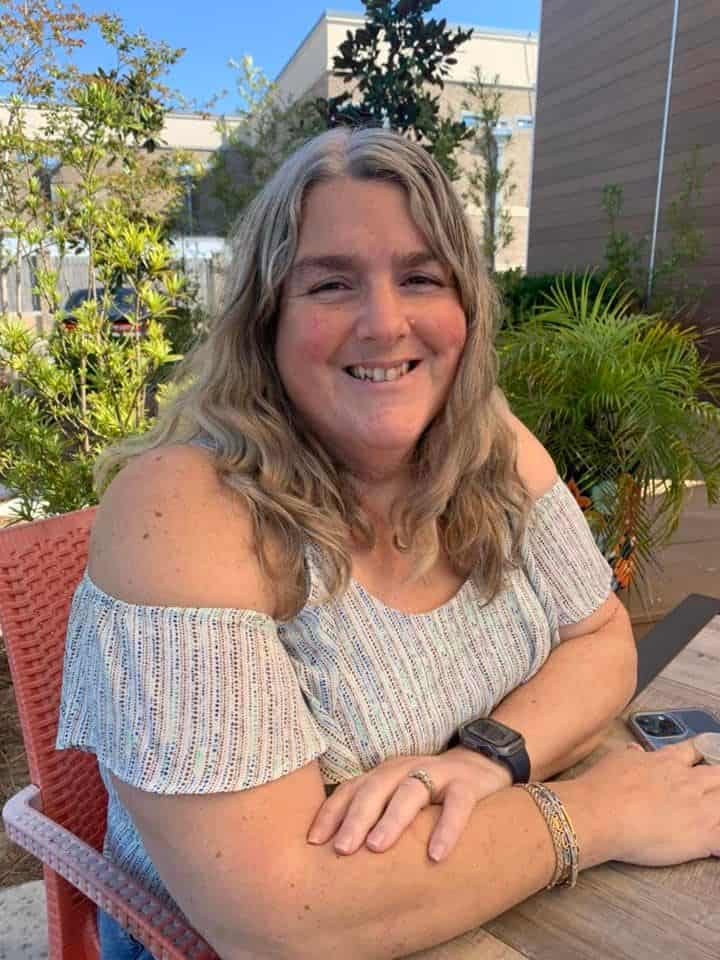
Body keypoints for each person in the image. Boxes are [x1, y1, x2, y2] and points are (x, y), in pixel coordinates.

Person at [56, 127, 720, 960]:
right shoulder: (186, 508)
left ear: (467, 308)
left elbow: (599, 639)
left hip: (477, 909)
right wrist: (600, 813)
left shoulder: (495, 448)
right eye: (331, 284)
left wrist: (489, 759)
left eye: (420, 277)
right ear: (267, 322)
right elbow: (280, 918)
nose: (384, 321)